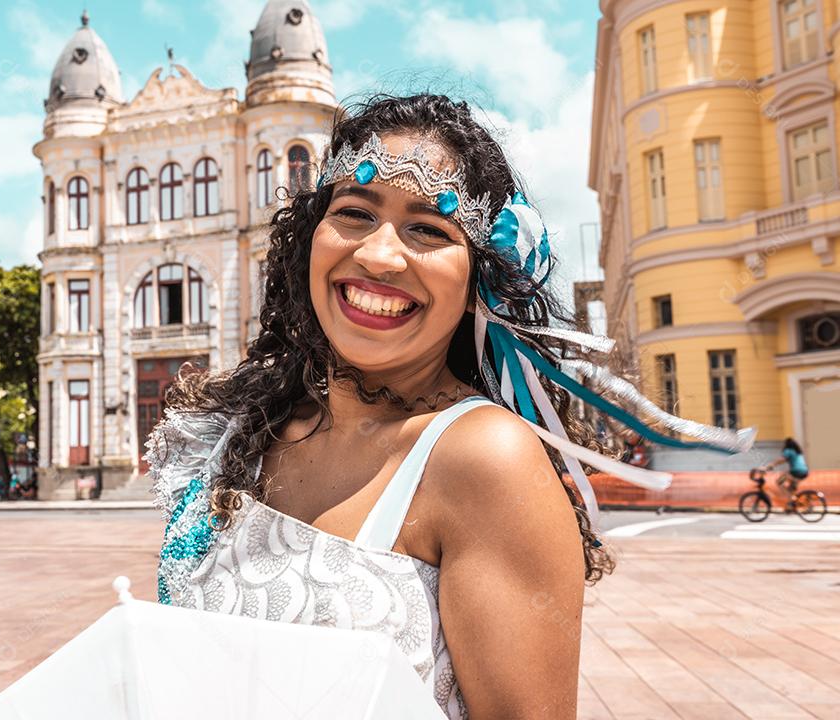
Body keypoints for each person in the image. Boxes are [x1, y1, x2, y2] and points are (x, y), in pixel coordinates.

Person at [145, 94, 753, 719]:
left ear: (478, 283)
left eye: (429, 229)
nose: (378, 255)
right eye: (354, 212)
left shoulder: (481, 459)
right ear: (310, 240)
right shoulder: (246, 427)